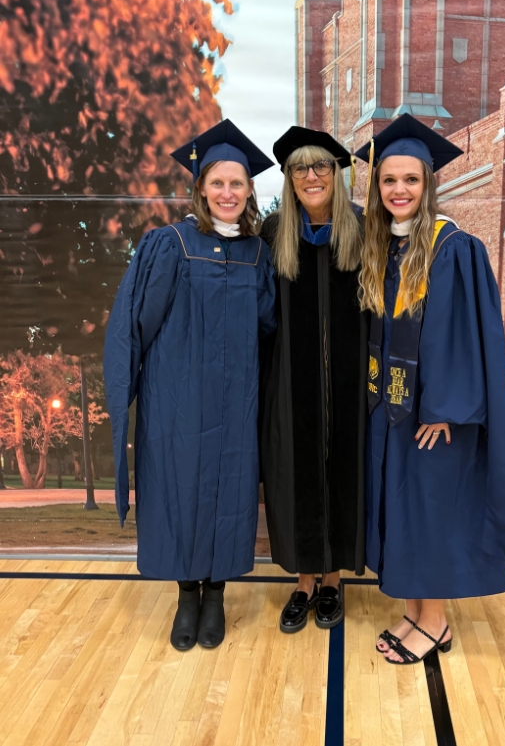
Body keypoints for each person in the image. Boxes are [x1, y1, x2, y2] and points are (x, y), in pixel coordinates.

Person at [103, 120, 277, 652]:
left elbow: (268, 326)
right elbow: (136, 324)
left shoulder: (257, 254)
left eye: (237, 183)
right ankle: (186, 595)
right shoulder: (169, 244)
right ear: (200, 187)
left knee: (230, 492)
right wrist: (127, 389)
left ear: (249, 190)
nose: (227, 192)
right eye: (217, 183)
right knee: (179, 490)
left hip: (237, 402)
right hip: (177, 401)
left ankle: (216, 595)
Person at [356, 113, 505, 665]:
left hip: (433, 415)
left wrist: (444, 409)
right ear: (377, 187)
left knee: (430, 512)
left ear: (428, 183)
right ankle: (415, 610)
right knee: (404, 510)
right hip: (392, 409)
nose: (399, 190)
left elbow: (464, 335)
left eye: (411, 179)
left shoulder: (452, 247)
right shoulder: (386, 247)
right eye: (389, 180)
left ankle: (435, 623)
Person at [260, 127, 367, 633]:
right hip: (290, 382)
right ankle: (304, 582)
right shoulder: (273, 233)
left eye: (320, 165)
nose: (310, 175)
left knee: (342, 473)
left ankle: (332, 581)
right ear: (289, 178)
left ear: (336, 172)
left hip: (349, 382)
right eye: (299, 168)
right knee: (296, 474)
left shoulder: (362, 229)